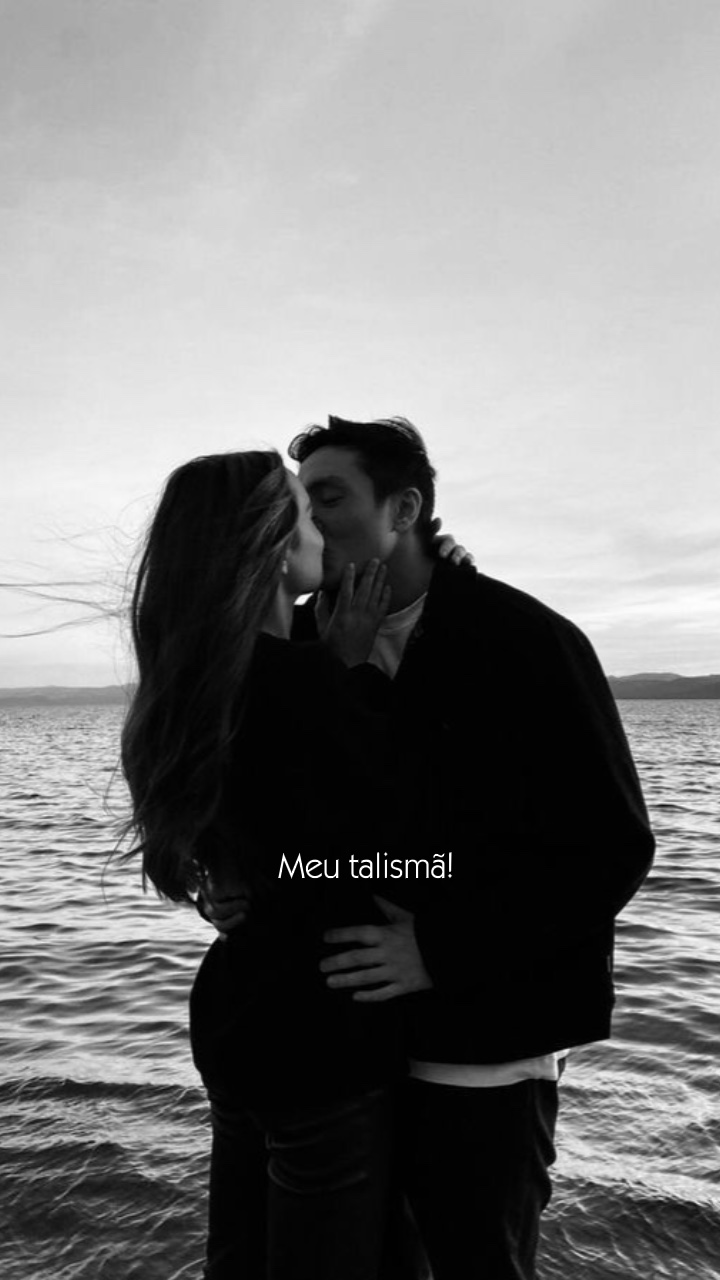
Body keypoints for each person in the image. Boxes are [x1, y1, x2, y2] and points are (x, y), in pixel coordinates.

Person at [209, 415, 655, 1280]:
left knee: (476, 1260)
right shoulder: (288, 643)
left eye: (328, 497)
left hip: (480, 1041)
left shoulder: (524, 639)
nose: (307, 521)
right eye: (299, 504)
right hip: (338, 1045)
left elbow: (609, 847)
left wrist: (441, 950)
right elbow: (268, 808)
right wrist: (225, 878)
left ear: (405, 509)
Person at [120, 449, 417, 1280]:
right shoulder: (306, 684)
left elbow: (271, 846)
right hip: (321, 1033)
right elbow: (389, 857)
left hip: (236, 1021)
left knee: (239, 1257)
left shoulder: (191, 689)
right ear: (277, 550)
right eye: (304, 512)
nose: (321, 528)